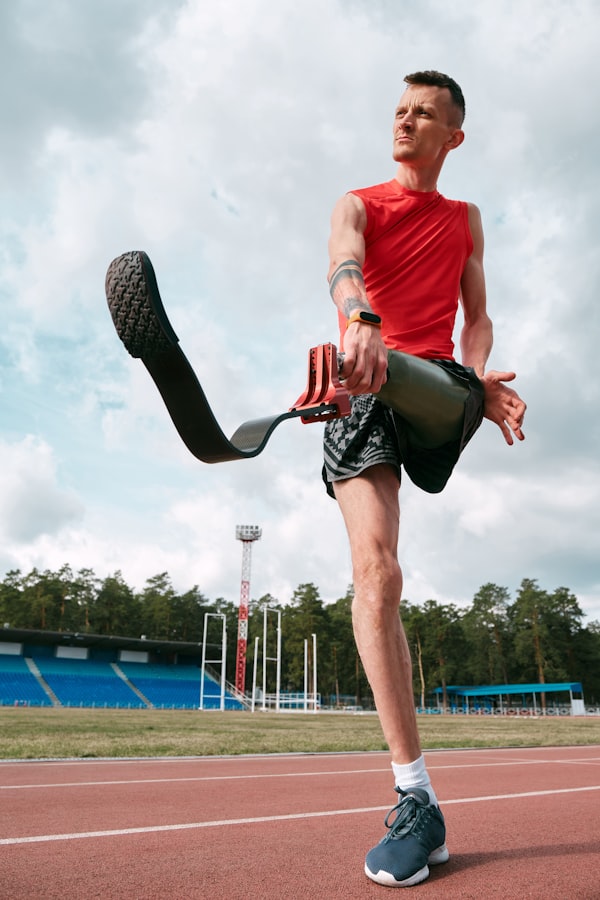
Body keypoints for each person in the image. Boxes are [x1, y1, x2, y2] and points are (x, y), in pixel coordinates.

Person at [323, 70, 526, 888]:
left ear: (454, 137)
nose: (406, 122)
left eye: (424, 115)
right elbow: (344, 268)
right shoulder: (358, 203)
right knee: (378, 576)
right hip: (361, 387)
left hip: (435, 386)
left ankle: (423, 379)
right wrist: (358, 319)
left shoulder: (465, 219)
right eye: (400, 111)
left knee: (431, 372)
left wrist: (478, 379)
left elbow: (476, 317)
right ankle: (417, 800)